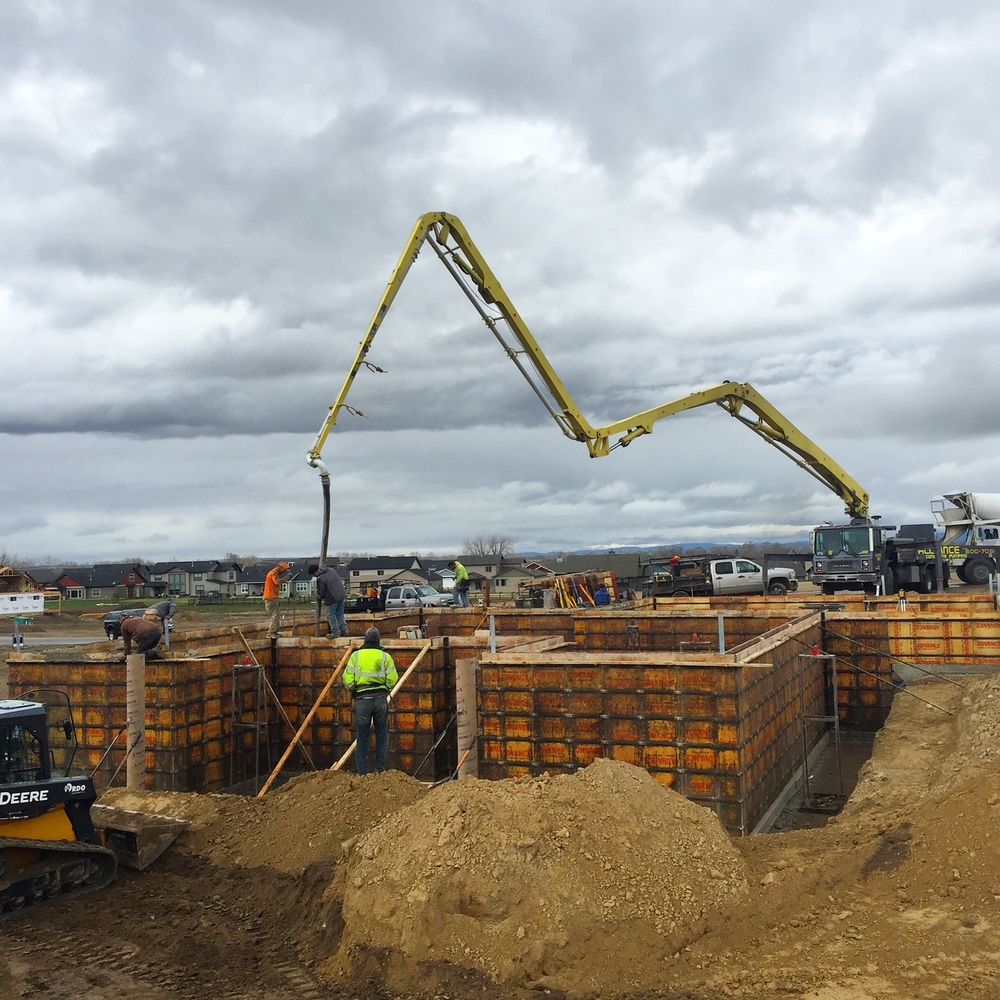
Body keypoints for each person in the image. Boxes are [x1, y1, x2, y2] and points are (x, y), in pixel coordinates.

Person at [343, 627, 399, 776]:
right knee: (381, 735)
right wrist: (385, 689)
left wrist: (354, 691)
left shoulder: (356, 656)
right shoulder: (385, 656)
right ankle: (380, 770)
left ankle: (362, 772)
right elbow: (393, 678)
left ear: (365, 640)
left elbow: (347, 679)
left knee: (362, 737)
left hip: (363, 700)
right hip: (380, 699)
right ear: (378, 641)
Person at [309, 563, 347, 637]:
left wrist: (319, 596)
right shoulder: (331, 570)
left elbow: (321, 593)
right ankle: (344, 631)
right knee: (340, 614)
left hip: (333, 597)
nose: (314, 576)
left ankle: (335, 632)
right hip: (341, 594)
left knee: (331, 615)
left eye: (313, 575)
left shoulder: (320, 578)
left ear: (315, 572)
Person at [263, 562, 292, 639]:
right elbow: (276, 581)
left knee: (276, 616)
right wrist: (286, 578)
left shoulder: (274, 573)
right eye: (284, 570)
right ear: (281, 568)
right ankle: (271, 633)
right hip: (270, 598)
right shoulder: (274, 573)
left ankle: (274, 632)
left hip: (272, 597)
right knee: (275, 616)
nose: (284, 572)